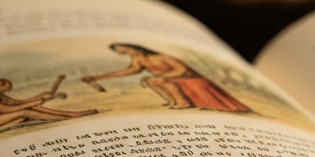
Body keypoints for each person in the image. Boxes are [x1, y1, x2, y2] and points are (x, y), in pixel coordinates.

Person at [82, 43, 250, 112]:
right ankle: (173, 101)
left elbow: (181, 69)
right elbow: (129, 71)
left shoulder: (160, 56)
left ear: (129, 46)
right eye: (119, 51)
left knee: (155, 79)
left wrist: (164, 75)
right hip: (171, 77)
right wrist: (98, 77)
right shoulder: (138, 59)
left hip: (186, 77)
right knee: (150, 79)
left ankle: (182, 102)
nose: (121, 52)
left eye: (121, 49)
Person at [0, 78, 96, 139]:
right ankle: (70, 117)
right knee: (24, 112)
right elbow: (8, 110)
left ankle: (73, 114)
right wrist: (38, 100)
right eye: (2, 84)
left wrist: (40, 97)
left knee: (30, 108)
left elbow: (18, 102)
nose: (6, 86)